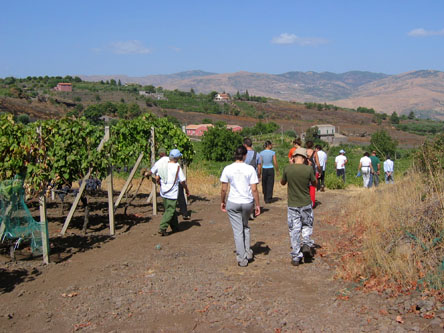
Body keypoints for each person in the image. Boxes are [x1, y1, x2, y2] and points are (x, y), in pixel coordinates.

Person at [220, 145, 261, 267]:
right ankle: (248, 251)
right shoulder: (250, 169)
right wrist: (257, 204)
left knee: (238, 230)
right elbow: (254, 189)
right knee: (245, 226)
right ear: (245, 155)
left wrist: (222, 201)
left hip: (233, 202)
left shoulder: (228, 168)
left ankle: (242, 258)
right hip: (247, 202)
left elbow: (223, 188)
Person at [281, 147, 317, 266]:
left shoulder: (287, 169)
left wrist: (290, 165)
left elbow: (282, 182)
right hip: (306, 202)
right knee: (307, 224)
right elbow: (314, 183)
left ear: (293, 157)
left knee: (294, 229)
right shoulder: (308, 169)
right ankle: (306, 243)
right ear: (305, 159)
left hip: (293, 203)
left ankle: (296, 256)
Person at [151, 149, 190, 236]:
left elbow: (158, 177)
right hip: (172, 193)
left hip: (164, 192)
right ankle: (162, 227)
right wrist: (186, 189)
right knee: (170, 211)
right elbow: (182, 181)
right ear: (177, 158)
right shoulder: (177, 167)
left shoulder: (164, 165)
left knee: (170, 210)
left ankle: (175, 227)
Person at [243, 138, 261, 218]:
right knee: (253, 192)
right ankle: (251, 211)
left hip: (243, 176)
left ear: (245, 145)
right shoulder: (257, 154)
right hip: (253, 176)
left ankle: (244, 211)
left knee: (244, 192)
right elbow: (259, 166)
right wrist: (259, 175)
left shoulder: (243, 154)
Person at [305, 141, 320, 208]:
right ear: (312, 145)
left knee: (305, 187)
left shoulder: (304, 152)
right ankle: (312, 203)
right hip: (312, 171)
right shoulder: (315, 153)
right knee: (312, 187)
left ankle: (305, 203)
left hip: (304, 170)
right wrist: (319, 171)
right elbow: (318, 164)